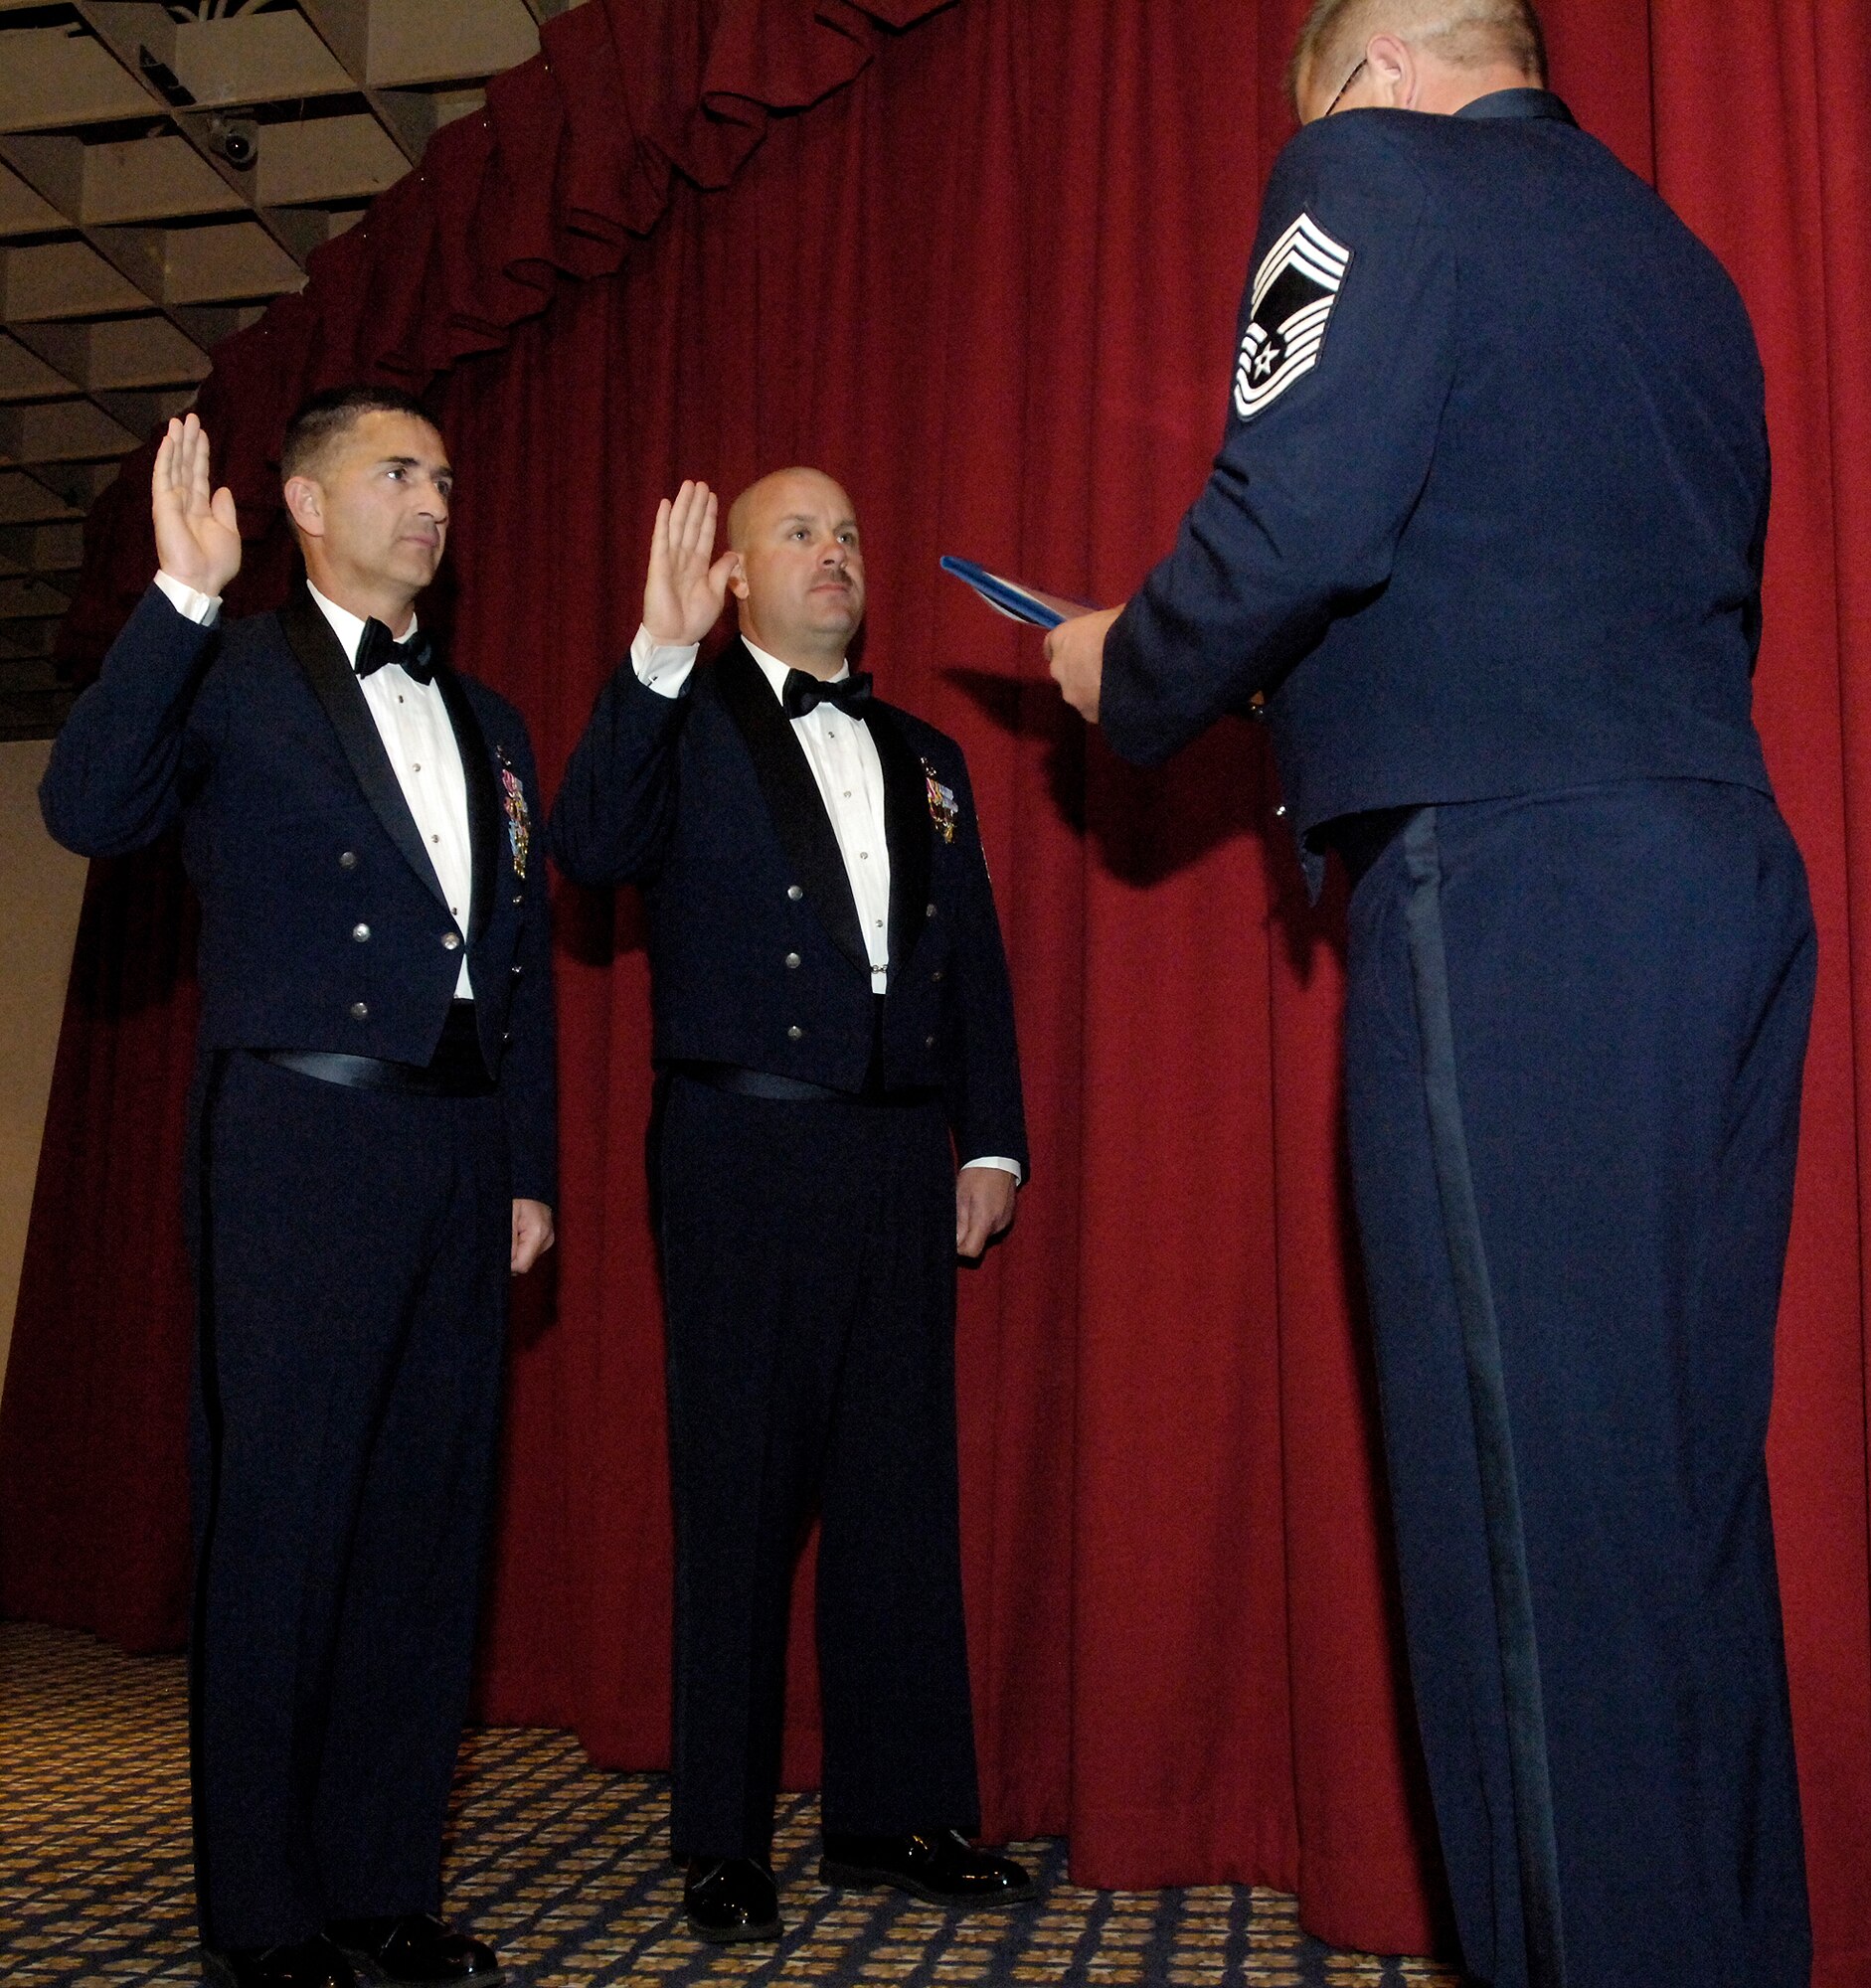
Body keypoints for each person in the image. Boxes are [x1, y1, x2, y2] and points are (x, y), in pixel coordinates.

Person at [1043, 4, 1812, 1986]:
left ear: (1370, 66)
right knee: (1667, 1529)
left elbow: (1293, 511)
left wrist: (1127, 668)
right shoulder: (1673, 258)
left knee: (1527, 1568)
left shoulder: (1367, 170)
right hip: (1711, 872)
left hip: (1510, 884)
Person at [41, 392, 557, 1988]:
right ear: (307, 506)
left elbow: (520, 969)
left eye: (447, 477)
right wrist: (181, 596)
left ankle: (381, 1890)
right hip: (298, 1142)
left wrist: (527, 1166)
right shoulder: (234, 670)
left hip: (459, 1153)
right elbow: (87, 808)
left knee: (423, 1535)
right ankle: (265, 1919)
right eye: (398, 474)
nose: (434, 500)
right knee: (284, 1534)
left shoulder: (490, 723)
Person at [550, 469, 1033, 1943]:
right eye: (800, 535)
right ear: (738, 577)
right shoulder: (679, 721)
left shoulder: (928, 751)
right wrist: (652, 653)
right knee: (740, 1500)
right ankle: (723, 1838)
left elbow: (976, 968)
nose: (836, 554)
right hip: (740, 1152)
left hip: (896, 1162)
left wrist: (991, 1145)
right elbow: (586, 851)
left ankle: (894, 1816)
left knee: (900, 1505)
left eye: (848, 535)